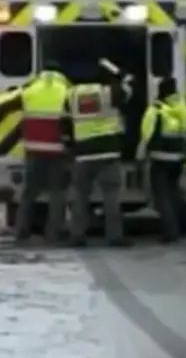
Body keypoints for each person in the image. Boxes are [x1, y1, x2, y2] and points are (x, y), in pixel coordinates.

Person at [68, 61, 130, 246]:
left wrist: (70, 145)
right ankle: (114, 237)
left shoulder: (72, 94)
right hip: (108, 152)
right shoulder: (108, 92)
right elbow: (128, 92)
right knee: (111, 196)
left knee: (80, 196)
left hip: (83, 153)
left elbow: (64, 120)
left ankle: (77, 235)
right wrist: (121, 76)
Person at [13, 63, 72, 244]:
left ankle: (21, 231)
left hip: (33, 150)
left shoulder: (29, 91)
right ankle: (53, 234)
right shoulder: (67, 92)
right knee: (57, 195)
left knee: (29, 194)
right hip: (57, 151)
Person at [137, 77, 186, 242]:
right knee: (174, 192)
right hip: (178, 158)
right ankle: (178, 227)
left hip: (159, 159)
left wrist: (139, 155)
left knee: (162, 196)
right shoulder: (182, 108)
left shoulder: (156, 110)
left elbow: (146, 134)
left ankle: (169, 232)